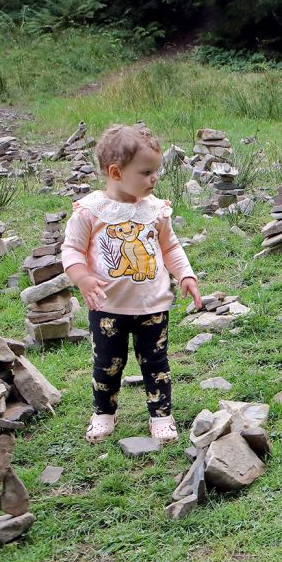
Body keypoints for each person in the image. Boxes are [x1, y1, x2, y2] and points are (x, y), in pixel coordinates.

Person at [61, 124, 203, 444]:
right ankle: (103, 412)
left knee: (156, 362)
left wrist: (186, 275)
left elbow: (170, 247)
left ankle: (161, 414)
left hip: (153, 305)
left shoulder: (155, 210)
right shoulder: (91, 211)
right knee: (108, 364)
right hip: (107, 306)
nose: (154, 179)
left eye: (156, 171)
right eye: (146, 172)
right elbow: (71, 250)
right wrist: (81, 277)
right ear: (116, 171)